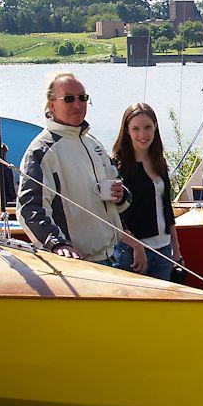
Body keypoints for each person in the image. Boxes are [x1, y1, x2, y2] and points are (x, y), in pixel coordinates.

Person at [18, 73, 129, 264]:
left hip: (114, 254)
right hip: (78, 263)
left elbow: (121, 191)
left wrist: (121, 196)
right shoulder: (41, 151)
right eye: (69, 99)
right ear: (52, 105)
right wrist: (57, 244)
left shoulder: (93, 143)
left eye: (83, 97)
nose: (77, 104)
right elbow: (29, 208)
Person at [111, 103, 182, 280]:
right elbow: (110, 215)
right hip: (131, 252)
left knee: (162, 305)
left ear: (155, 127)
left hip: (164, 250)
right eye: (136, 128)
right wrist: (136, 246)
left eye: (147, 127)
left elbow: (166, 207)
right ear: (127, 131)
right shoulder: (116, 166)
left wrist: (176, 250)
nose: (142, 135)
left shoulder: (159, 161)